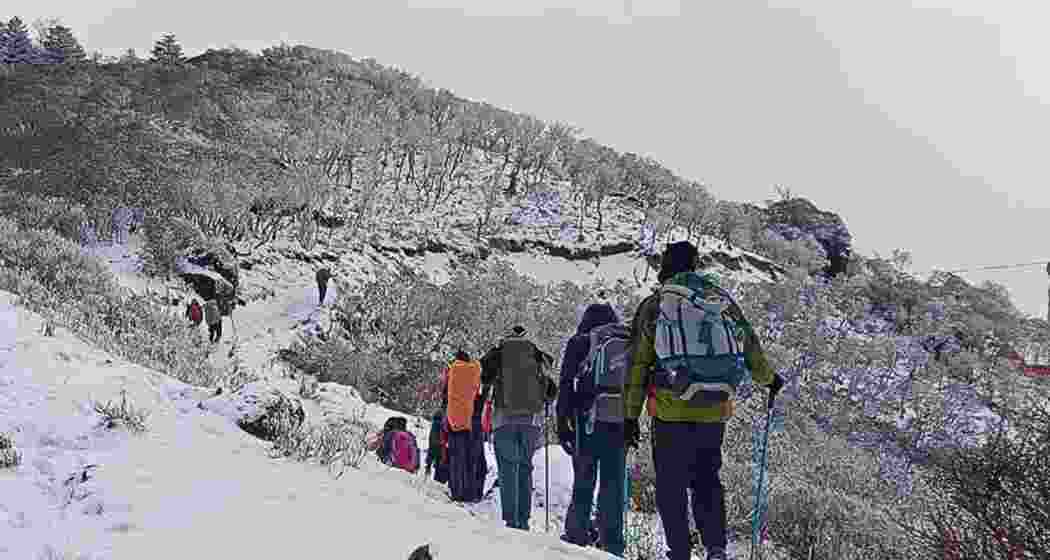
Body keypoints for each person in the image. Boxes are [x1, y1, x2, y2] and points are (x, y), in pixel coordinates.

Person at [624, 241, 784, 560]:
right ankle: (715, 548)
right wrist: (770, 379)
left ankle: (680, 552)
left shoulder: (655, 305)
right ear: (695, 265)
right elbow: (748, 342)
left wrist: (630, 416)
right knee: (707, 480)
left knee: (671, 485)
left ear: (665, 268)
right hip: (715, 407)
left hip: (670, 410)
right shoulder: (719, 300)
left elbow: (638, 364)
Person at [557, 302, 627, 556]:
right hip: (619, 423)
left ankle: (576, 537)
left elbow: (565, 384)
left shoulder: (580, 342)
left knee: (584, 481)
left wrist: (562, 423)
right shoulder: (625, 341)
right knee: (614, 486)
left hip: (586, 423)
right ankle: (613, 544)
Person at [480, 326, 557, 531]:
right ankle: (523, 520)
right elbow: (551, 387)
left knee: (508, 469)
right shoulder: (536, 352)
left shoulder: (499, 352)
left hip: (504, 419)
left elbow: (484, 377)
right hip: (531, 421)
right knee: (524, 467)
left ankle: (511, 521)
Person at [445, 350, 483, 502]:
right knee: (470, 457)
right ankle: (470, 493)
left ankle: (456, 492)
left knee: (456, 457)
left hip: (454, 420)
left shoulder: (452, 370)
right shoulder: (474, 370)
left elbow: (445, 394)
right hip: (471, 419)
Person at [425, 409, 450, 484]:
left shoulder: (435, 426)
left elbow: (432, 445)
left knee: (438, 480)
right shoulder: (444, 426)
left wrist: (428, 463)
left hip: (439, 455)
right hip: (445, 455)